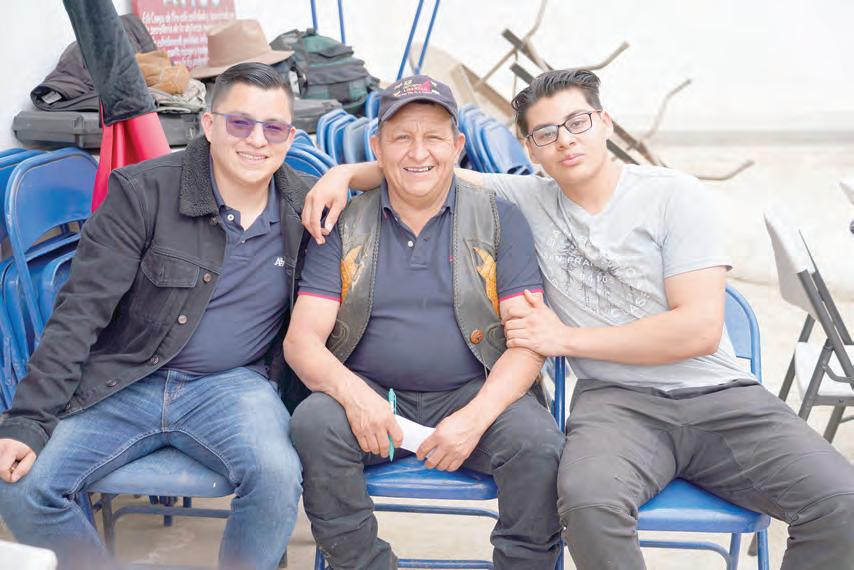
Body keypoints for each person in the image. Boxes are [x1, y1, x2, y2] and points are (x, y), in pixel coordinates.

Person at [302, 68, 854, 570]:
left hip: (720, 396)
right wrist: (341, 174)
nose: (565, 140)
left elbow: (700, 330)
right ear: (529, 148)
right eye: (546, 132)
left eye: (577, 122)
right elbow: (421, 169)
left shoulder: (672, 195)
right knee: (588, 505)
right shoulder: (525, 199)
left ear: (604, 122)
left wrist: (565, 339)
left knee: (843, 505)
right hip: (617, 403)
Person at [0, 62, 310, 570]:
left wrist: (349, 174)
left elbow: (408, 177)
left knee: (276, 476)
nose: (257, 140)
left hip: (233, 386)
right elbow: (80, 312)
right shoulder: (142, 192)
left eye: (273, 128)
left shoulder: (306, 208)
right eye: (239, 122)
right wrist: (27, 420)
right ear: (208, 125)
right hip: (126, 378)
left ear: (289, 138)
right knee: (20, 484)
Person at [284, 74, 564, 570]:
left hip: (473, 391)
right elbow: (302, 341)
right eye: (401, 137)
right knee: (314, 424)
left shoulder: (500, 219)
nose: (418, 152)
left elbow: (528, 342)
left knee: (539, 444)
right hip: (373, 394)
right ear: (377, 148)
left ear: (457, 146)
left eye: (434, 136)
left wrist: (474, 418)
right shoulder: (344, 222)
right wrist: (357, 399)